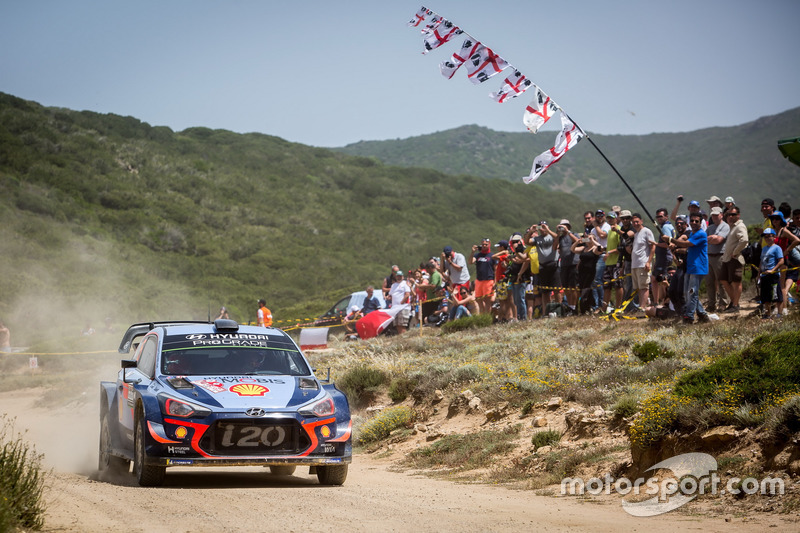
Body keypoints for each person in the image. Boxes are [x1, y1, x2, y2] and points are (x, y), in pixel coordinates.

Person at [665, 213, 709, 324]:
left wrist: (671, 239)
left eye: (697, 221)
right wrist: (677, 250)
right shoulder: (694, 234)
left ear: (700, 223)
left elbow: (687, 243)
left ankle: (689, 317)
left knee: (692, 293)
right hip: (691, 267)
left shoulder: (700, 234)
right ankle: (702, 314)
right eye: (692, 221)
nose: (694, 223)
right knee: (689, 293)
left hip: (698, 267)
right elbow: (689, 249)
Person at [769, 211, 800, 315]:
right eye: (773, 219)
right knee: (776, 285)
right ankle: (779, 308)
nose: (774, 221)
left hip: (783, 260)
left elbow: (796, 240)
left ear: (781, 220)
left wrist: (788, 250)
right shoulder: (774, 231)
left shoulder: (784, 231)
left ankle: (784, 309)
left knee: (781, 285)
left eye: (777, 219)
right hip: (775, 261)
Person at [719, 206, 748, 314]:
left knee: (736, 282)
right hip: (727, 259)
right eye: (728, 215)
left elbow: (744, 240)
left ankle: (735, 305)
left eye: (733, 215)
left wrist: (735, 252)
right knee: (723, 279)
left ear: (738, 215)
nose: (730, 217)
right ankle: (734, 302)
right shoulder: (732, 226)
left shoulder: (740, 226)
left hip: (736, 259)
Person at [704, 206, 731, 312]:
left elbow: (718, 240)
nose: (714, 217)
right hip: (709, 256)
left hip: (719, 256)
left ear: (721, 215)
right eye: (713, 215)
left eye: (716, 214)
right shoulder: (710, 228)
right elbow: (705, 240)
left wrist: (712, 238)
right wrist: (712, 238)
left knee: (721, 281)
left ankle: (723, 303)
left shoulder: (725, 226)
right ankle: (711, 304)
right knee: (709, 282)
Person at [630, 213, 656, 316]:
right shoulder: (636, 234)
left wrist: (648, 262)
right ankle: (641, 306)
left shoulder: (646, 231)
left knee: (644, 286)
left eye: (637, 221)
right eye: (634, 222)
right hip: (635, 264)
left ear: (641, 221)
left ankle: (643, 307)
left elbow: (653, 247)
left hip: (642, 263)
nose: (635, 224)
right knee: (639, 287)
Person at [572, 233, 603, 314]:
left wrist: (592, 240)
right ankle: (586, 309)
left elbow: (601, 248)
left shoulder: (594, 249)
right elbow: (572, 249)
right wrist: (577, 242)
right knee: (583, 291)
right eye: (587, 239)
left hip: (590, 273)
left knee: (586, 291)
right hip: (581, 273)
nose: (588, 240)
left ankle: (585, 308)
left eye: (589, 239)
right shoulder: (583, 248)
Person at [759, 228, 784, 319]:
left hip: (773, 275)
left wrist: (773, 269)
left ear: (774, 237)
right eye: (765, 236)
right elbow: (761, 261)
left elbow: (781, 261)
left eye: (769, 236)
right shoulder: (764, 248)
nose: (767, 238)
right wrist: (759, 272)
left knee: (776, 295)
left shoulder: (777, 248)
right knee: (766, 296)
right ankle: (768, 314)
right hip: (764, 275)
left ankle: (779, 314)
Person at [555, 220, 580, 311]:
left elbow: (578, 241)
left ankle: (574, 306)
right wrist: (557, 234)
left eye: (565, 226)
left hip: (573, 263)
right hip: (564, 264)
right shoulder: (560, 238)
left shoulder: (574, 234)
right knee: (565, 287)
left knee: (573, 287)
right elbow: (554, 247)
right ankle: (570, 306)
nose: (563, 227)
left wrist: (568, 232)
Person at [652, 208, 675, 306]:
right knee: (657, 279)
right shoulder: (668, 226)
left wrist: (655, 244)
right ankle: (660, 301)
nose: (659, 218)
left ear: (666, 216)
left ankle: (665, 301)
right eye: (657, 216)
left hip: (665, 257)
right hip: (663, 257)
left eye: (661, 216)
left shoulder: (665, 227)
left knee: (662, 280)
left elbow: (668, 243)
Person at [590, 209, 611, 313]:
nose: (599, 217)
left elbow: (603, 235)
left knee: (599, 280)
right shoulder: (593, 230)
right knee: (594, 281)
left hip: (604, 253)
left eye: (601, 216)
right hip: (595, 254)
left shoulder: (606, 226)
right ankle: (597, 305)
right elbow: (590, 241)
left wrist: (596, 226)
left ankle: (603, 304)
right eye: (597, 216)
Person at [471, 238, 496, 314]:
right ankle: (482, 316)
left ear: (489, 245)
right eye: (483, 244)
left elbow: (496, 269)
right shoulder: (477, 255)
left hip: (488, 280)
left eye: (486, 244)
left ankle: (487, 317)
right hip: (479, 280)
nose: (484, 246)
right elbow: (470, 261)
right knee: (478, 299)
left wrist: (495, 281)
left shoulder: (492, 256)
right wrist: (472, 252)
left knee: (487, 300)